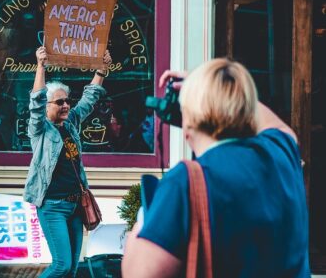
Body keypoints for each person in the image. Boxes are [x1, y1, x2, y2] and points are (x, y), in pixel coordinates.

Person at [122, 58, 310, 278]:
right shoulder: (280, 154)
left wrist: (144, 220)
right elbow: (278, 126)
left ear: (187, 126)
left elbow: (140, 273)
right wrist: (219, 91)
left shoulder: (186, 181)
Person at [23, 46, 112, 278]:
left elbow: (89, 99)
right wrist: (40, 66)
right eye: (59, 102)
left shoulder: (70, 123)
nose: (65, 105)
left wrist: (101, 71)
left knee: (71, 269)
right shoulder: (40, 129)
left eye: (66, 101)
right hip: (53, 206)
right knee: (61, 265)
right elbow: (36, 101)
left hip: (75, 205)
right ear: (47, 106)